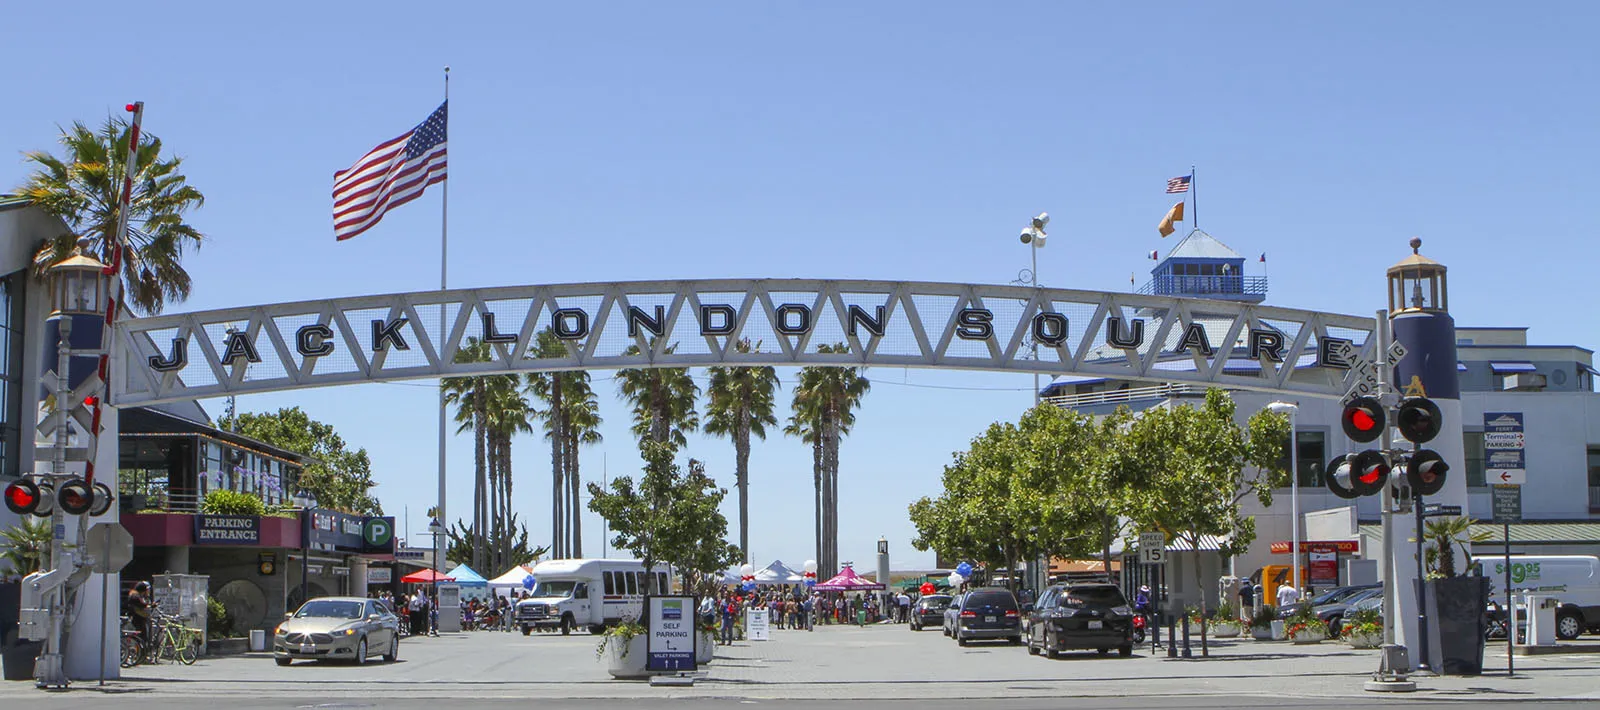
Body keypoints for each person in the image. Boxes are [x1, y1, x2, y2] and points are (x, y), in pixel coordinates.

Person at [124, 581, 153, 647]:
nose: (148, 592)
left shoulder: (140, 596)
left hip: (140, 619)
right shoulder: (135, 596)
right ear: (143, 590)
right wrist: (149, 606)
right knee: (140, 637)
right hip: (136, 620)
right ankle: (139, 653)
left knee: (143, 636)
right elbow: (141, 604)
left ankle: (143, 651)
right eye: (147, 590)